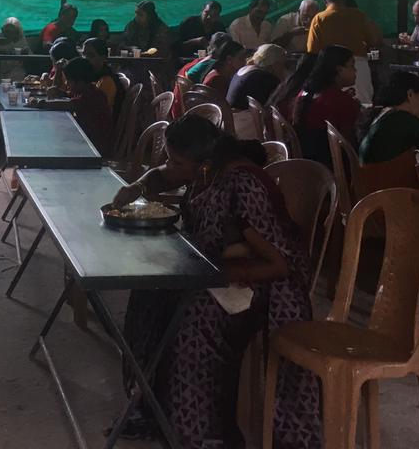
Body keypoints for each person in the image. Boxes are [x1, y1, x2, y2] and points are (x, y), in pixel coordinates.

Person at [112, 116, 322, 449]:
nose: (170, 166)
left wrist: (223, 275)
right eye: (169, 158)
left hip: (269, 289)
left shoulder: (243, 185)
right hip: (223, 266)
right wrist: (137, 187)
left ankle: (204, 433)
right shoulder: (206, 171)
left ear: (204, 164)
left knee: (195, 319)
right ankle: (154, 407)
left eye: (176, 161)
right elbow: (160, 178)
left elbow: (279, 265)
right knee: (150, 294)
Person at [305, 0, 377, 105]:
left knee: (335, 107)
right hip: (359, 67)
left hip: (332, 71)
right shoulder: (359, 15)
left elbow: (312, 51)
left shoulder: (319, 19)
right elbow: (374, 40)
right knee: (365, 106)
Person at [293, 45, 361, 165]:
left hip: (307, 159)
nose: (355, 70)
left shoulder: (305, 92)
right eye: (352, 66)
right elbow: (351, 140)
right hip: (332, 163)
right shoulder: (341, 101)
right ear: (339, 70)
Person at [172, 35, 246, 119]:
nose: (245, 62)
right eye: (241, 59)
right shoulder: (218, 80)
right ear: (229, 59)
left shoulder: (217, 71)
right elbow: (225, 109)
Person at [227, 44, 288, 140]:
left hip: (229, 122)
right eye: (283, 64)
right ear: (274, 64)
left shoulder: (245, 69)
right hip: (244, 128)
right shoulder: (267, 78)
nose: (284, 69)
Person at [63, 59, 115, 157]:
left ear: (80, 81)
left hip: (96, 149)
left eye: (69, 81)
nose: (66, 84)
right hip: (91, 142)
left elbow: (69, 105)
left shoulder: (91, 96)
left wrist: (41, 103)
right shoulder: (92, 90)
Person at [82, 37, 123, 115]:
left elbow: (96, 109)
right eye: (83, 55)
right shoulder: (91, 75)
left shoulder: (106, 80)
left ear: (103, 58)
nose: (85, 59)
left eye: (91, 55)